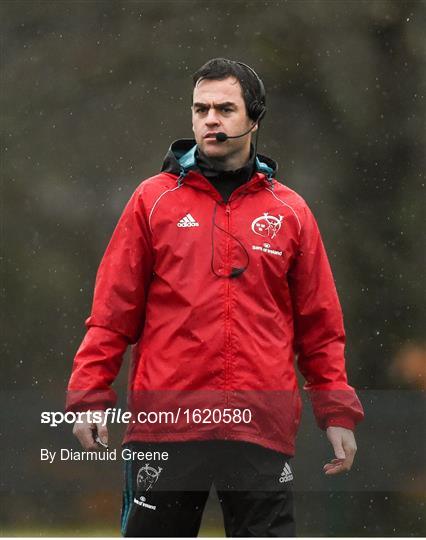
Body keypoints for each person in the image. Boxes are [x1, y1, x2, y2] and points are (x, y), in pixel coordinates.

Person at [66, 58, 364, 537]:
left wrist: (336, 412)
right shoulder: (152, 200)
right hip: (167, 424)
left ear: (254, 118)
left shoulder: (291, 212)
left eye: (225, 108)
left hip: (259, 427)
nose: (210, 119)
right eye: (201, 108)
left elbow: (320, 328)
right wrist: (88, 396)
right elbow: (111, 314)